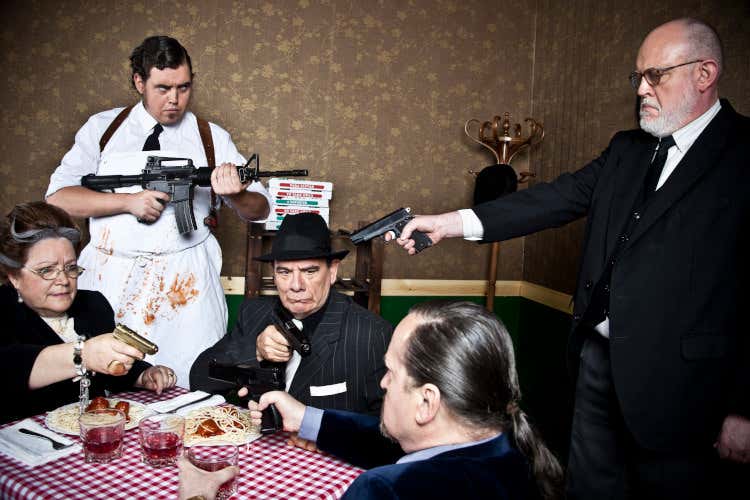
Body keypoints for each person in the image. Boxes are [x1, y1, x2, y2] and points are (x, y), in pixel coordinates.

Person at [393, 18, 749, 499]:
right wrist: (449, 223)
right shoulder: (626, 149)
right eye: (638, 76)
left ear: (704, 74)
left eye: (655, 76)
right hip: (596, 364)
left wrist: (743, 407)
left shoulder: (742, 154)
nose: (641, 89)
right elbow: (553, 199)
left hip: (686, 389)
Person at [45, 35, 272, 387]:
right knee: (107, 380)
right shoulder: (103, 129)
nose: (174, 99)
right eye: (163, 88)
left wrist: (238, 194)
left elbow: (261, 209)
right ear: (139, 82)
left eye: (184, 87)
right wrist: (127, 202)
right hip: (111, 280)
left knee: (191, 382)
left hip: (186, 288)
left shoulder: (210, 137)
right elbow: (58, 198)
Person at [246, 301, 564, 499]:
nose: (383, 382)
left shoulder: (385, 491)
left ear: (427, 402)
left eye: (391, 371)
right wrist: (303, 417)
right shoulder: (519, 451)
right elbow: (391, 443)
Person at [190, 213, 393, 415]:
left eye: (309, 271)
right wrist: (254, 350)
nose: (296, 285)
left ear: (332, 271)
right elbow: (198, 378)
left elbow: (389, 427)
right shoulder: (254, 312)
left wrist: (313, 424)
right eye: (284, 272)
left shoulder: (372, 334)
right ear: (273, 273)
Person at [0, 202, 177, 424]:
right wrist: (83, 354)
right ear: (14, 276)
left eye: (70, 267)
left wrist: (142, 375)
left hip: (92, 434)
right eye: (47, 270)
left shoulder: (93, 304)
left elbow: (110, 372)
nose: (63, 280)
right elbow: (8, 368)